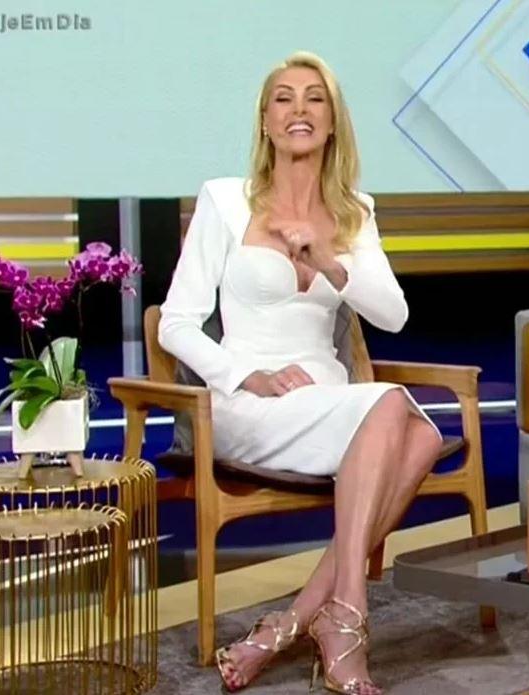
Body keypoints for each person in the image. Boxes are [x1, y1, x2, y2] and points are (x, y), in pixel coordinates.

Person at [159, 51, 440, 694]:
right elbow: (175, 324)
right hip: (248, 401)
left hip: (331, 403)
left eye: (315, 98)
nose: (299, 110)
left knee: (420, 434)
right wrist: (245, 376)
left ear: (333, 121)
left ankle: (290, 623)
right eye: (283, 98)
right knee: (399, 413)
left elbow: (394, 315)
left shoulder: (355, 212)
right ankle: (347, 613)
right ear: (265, 120)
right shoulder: (225, 201)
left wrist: (332, 262)